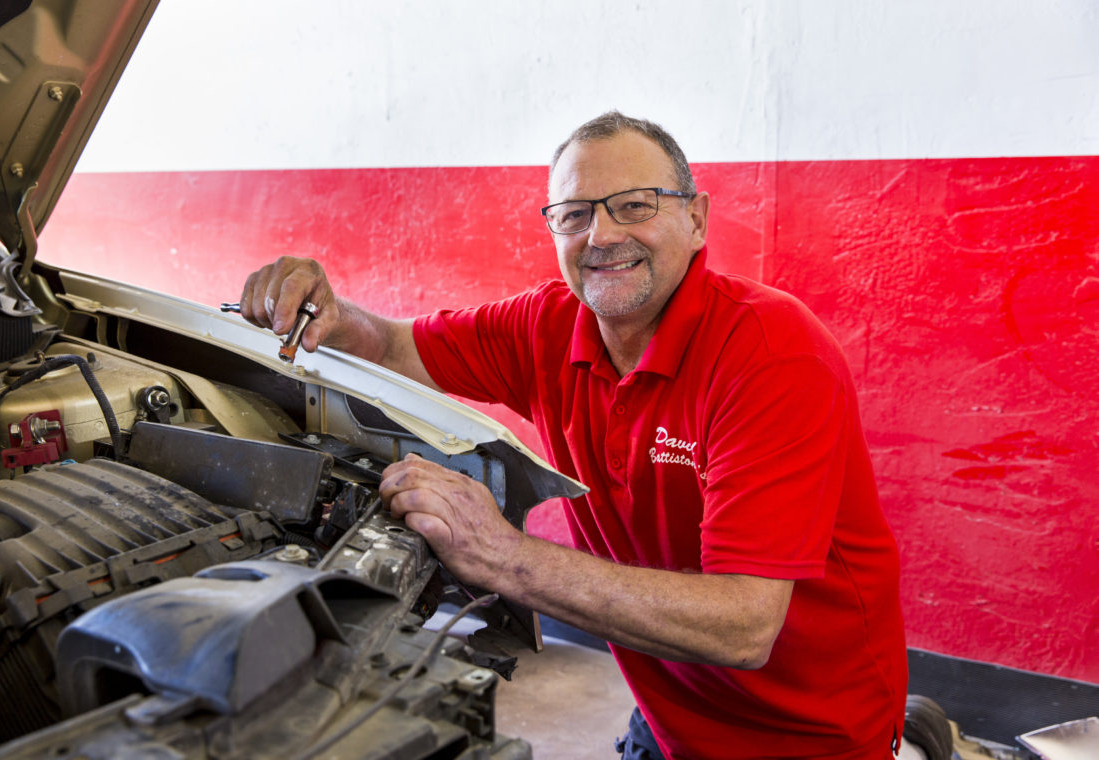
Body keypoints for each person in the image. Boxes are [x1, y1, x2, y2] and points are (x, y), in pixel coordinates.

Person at [239, 111, 909, 760]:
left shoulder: (772, 354)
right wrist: (325, 308)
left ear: (697, 218)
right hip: (670, 708)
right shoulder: (546, 327)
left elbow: (744, 625)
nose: (602, 235)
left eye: (635, 205)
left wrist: (501, 554)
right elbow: (386, 344)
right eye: (576, 213)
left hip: (810, 734)